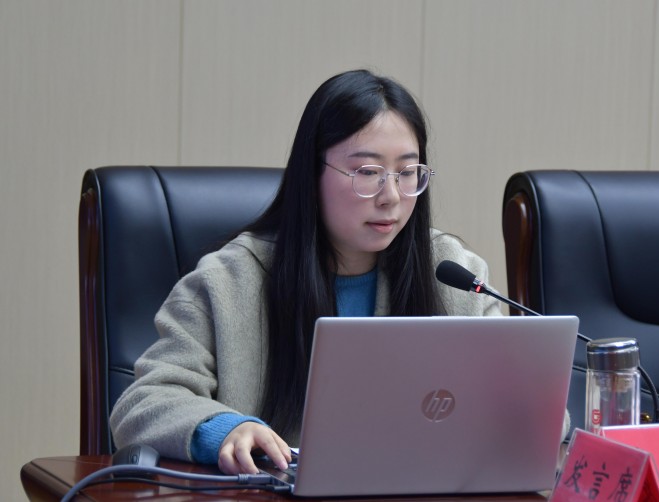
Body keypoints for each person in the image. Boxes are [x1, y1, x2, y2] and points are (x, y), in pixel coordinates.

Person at [110, 69, 506, 476]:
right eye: (367, 173)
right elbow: (144, 402)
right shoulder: (229, 281)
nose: (391, 197)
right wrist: (225, 428)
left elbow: (517, 400)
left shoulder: (456, 275)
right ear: (312, 174)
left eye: (407, 174)